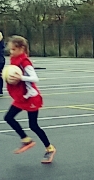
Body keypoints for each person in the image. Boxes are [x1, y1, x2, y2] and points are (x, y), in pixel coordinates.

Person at [4, 35, 56, 163]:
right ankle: (26, 140)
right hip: (22, 96)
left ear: (21, 49)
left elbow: (34, 78)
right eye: (10, 49)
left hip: (31, 97)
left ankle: (50, 148)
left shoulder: (25, 62)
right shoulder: (14, 61)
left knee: (33, 125)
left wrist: (20, 78)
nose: (11, 52)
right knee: (8, 117)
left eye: (13, 49)